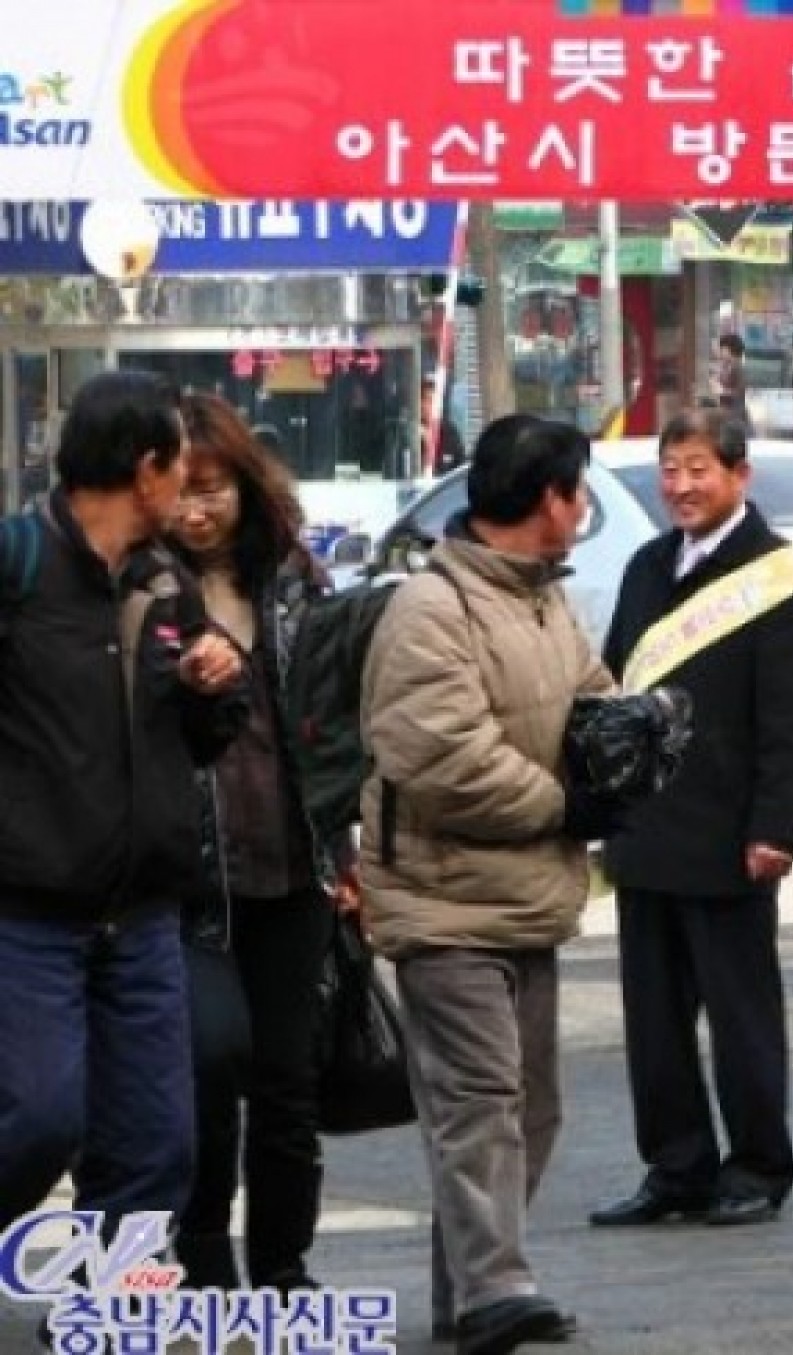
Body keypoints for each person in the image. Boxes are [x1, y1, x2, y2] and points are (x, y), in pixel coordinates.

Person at [360, 413, 611, 1354]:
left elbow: (592, 696)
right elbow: (443, 757)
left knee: (529, 1107)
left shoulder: (546, 599)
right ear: (549, 500)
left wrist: (632, 742)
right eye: (577, 490)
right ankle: (497, 1287)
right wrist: (563, 803)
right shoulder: (434, 608)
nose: (581, 508)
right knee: (478, 1099)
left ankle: (465, 1293)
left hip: (526, 898)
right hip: (443, 901)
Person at [0, 371, 246, 1241]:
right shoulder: (18, 565)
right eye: (178, 459)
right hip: (28, 915)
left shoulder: (162, 584)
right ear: (147, 469)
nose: (184, 478)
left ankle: (111, 1317)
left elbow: (206, 740)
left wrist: (215, 686)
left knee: (154, 1147)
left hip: (142, 919)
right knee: (35, 1120)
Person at [587, 408, 793, 1230]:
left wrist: (778, 828)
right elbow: (617, 685)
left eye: (699, 469)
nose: (682, 486)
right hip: (647, 829)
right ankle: (676, 1163)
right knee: (653, 1018)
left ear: (738, 475)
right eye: (671, 469)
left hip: (731, 834)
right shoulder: (648, 565)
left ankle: (759, 1163)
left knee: (740, 1014)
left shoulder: (781, 577)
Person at [166, 393, 356, 1294]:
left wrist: (345, 853)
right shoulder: (141, 587)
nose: (197, 512)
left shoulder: (290, 580)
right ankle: (204, 1259)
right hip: (191, 880)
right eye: (181, 492)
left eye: (214, 490)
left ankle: (284, 1263)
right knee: (210, 1069)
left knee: (287, 1083)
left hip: (291, 868)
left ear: (246, 482)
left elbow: (327, 726)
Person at [710, 334, 753, 432]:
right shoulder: (728, 366)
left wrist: (722, 391)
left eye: (723, 349)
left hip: (735, 416)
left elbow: (740, 391)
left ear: (731, 350)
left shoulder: (738, 368)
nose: (721, 352)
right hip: (728, 414)